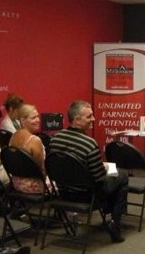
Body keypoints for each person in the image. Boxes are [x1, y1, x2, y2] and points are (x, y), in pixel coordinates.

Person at [49, 100, 128, 243]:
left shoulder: (55, 138)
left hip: (63, 193)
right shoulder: (89, 143)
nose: (94, 119)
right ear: (77, 120)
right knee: (121, 176)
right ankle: (114, 223)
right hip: (86, 196)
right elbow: (98, 179)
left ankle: (109, 215)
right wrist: (104, 168)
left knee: (114, 179)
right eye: (89, 116)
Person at [9, 103, 49, 194]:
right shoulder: (35, 140)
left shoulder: (13, 136)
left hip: (15, 183)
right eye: (33, 118)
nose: (38, 120)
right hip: (34, 186)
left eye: (38, 117)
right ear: (22, 121)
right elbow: (41, 170)